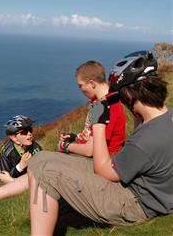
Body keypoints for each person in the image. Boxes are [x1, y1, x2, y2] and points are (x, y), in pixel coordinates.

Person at [26, 50, 172, 235]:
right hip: (148, 190)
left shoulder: (146, 140)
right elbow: (141, 149)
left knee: (45, 173)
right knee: (40, 159)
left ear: (129, 95)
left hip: (133, 204)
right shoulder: (166, 117)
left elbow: (104, 170)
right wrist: (138, 115)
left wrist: (98, 124)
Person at [0, 60, 126, 206]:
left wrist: (66, 146)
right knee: (40, 161)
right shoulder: (100, 101)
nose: (80, 89)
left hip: (99, 163)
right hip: (94, 157)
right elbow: (94, 136)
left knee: (43, 167)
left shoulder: (107, 106)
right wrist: (75, 137)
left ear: (92, 83)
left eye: (81, 85)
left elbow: (90, 150)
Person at [0, 115, 42, 191]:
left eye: (30, 130)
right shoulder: (7, 150)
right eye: (24, 132)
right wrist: (20, 166)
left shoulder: (36, 147)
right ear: (14, 138)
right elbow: (5, 175)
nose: (29, 134)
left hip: (9, 175)